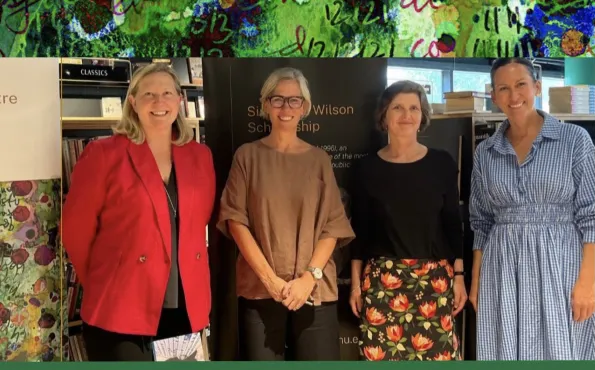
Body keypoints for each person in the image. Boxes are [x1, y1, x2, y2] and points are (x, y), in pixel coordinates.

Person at [62, 63, 216, 361]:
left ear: (180, 101)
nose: (159, 102)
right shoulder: (104, 153)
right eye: (149, 94)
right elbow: (76, 232)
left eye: (167, 93)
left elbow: (201, 221)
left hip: (185, 302)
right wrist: (106, 281)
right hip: (122, 304)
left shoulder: (200, 155)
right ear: (133, 102)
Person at [216, 67, 355, 361]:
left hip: (314, 290)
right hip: (261, 289)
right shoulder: (247, 156)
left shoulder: (319, 160)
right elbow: (235, 220)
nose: (285, 107)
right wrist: (270, 280)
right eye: (278, 99)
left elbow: (333, 226)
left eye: (294, 100)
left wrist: (308, 279)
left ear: (304, 107)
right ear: (266, 104)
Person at [468, 58, 595, 360]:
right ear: (494, 95)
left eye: (521, 85)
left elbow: (593, 215)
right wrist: (476, 282)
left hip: (560, 265)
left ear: (536, 87)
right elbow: (481, 222)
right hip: (502, 270)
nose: (514, 97)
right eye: (504, 88)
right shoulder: (485, 152)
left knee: (564, 348)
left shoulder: (574, 140)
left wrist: (588, 283)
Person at [347, 80, 467, 361]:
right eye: (398, 107)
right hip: (382, 282)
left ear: (422, 116)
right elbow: (359, 233)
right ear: (384, 116)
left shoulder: (442, 163)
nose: (406, 114)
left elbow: (453, 225)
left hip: (435, 282)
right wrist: (355, 285)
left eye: (414, 108)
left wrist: (459, 278)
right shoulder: (366, 168)